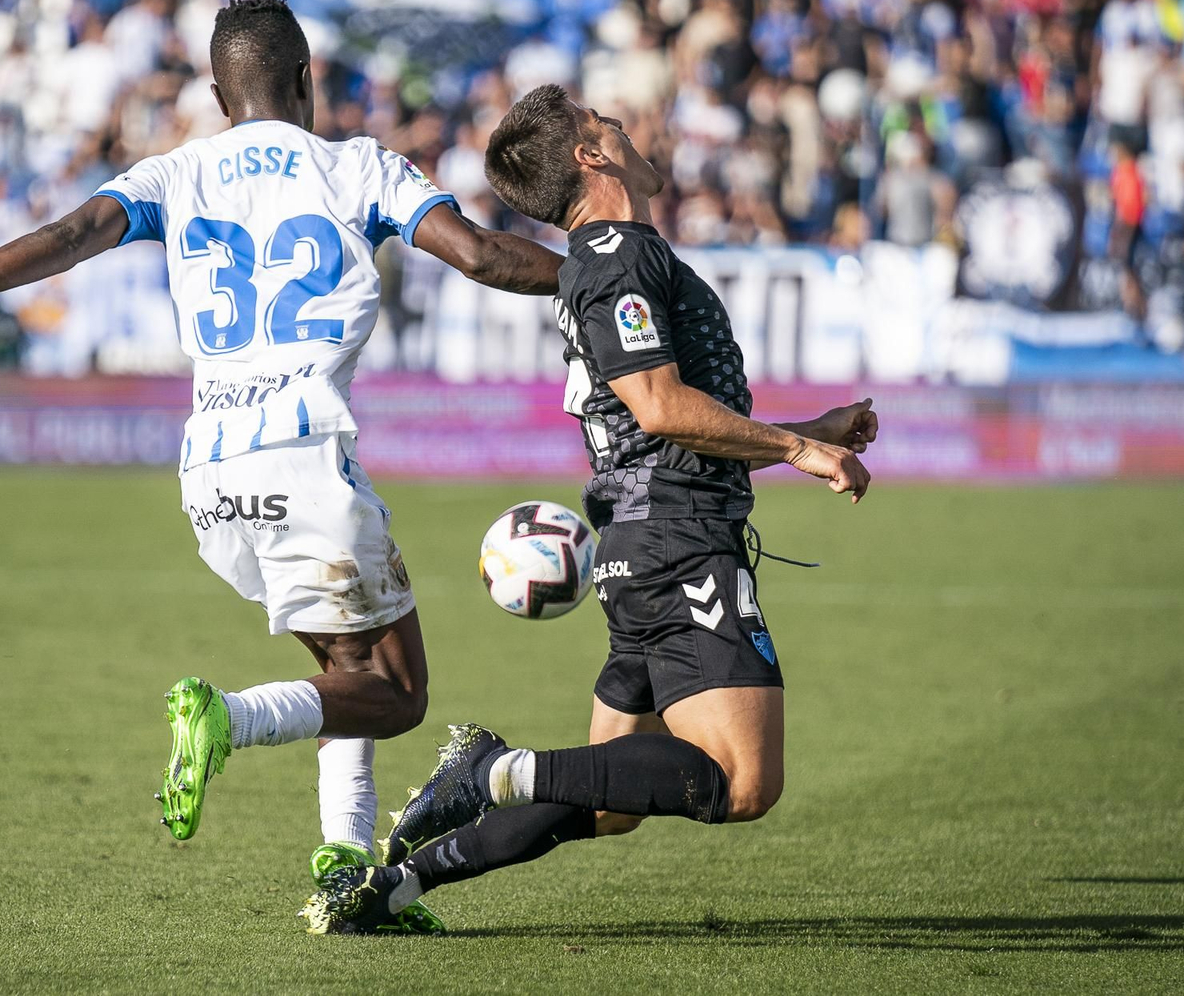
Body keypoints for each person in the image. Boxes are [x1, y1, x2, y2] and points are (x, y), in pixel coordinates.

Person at [0, 0, 562, 932]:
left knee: (340, 666)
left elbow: (72, 235)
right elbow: (479, 256)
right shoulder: (356, 166)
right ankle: (227, 718)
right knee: (397, 695)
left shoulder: (173, 171)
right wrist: (602, 269)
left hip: (209, 471)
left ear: (216, 92)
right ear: (309, 80)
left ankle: (348, 872)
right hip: (304, 450)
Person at [301, 84, 878, 934]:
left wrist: (808, 430)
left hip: (642, 547)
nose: (625, 123)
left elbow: (664, 424)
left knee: (609, 797)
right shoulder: (617, 254)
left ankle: (395, 885)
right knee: (743, 781)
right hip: (679, 547)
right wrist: (794, 449)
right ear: (591, 155)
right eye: (607, 121)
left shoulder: (604, 260)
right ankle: (496, 769)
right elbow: (659, 408)